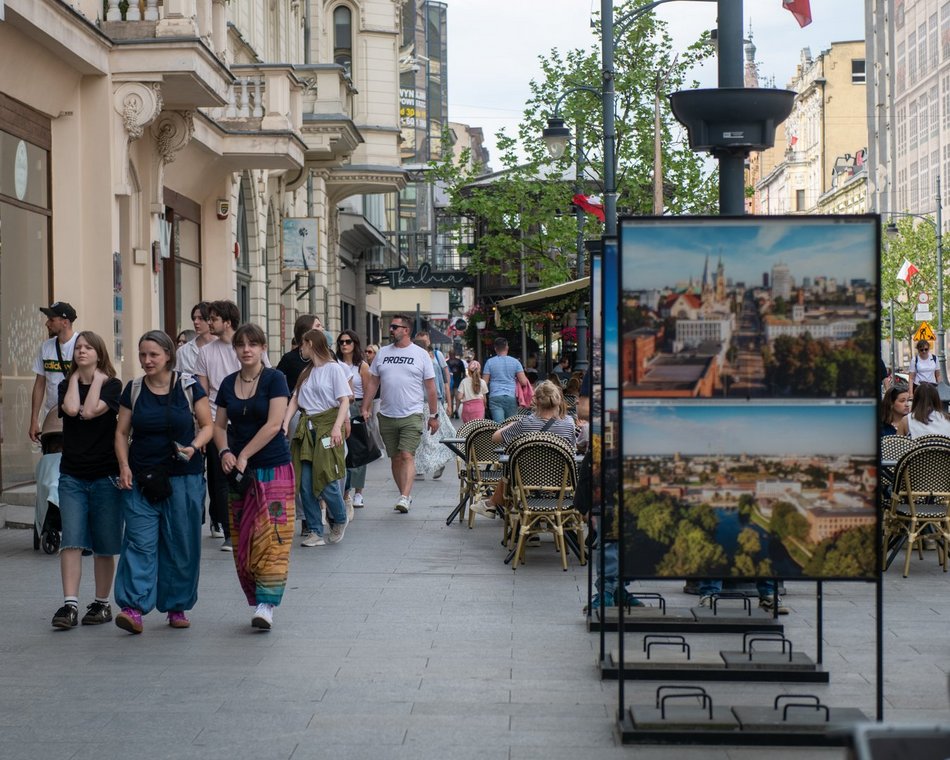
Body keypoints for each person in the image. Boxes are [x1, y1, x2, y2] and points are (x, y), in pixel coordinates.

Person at [113, 331, 213, 634]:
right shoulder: (133, 389)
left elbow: (208, 425)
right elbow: (120, 433)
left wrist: (193, 447)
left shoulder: (188, 386)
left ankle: (176, 605)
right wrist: (124, 466)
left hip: (184, 476)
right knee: (139, 543)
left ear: (168, 355)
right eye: (142, 354)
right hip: (142, 477)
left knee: (181, 543)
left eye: (153, 354)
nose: (147, 360)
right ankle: (133, 607)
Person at [213, 324, 294, 630]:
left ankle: (267, 604)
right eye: (241, 345)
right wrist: (224, 452)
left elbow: (275, 424)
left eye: (253, 344)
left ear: (262, 348)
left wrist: (244, 453)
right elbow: (218, 426)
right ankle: (257, 594)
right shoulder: (227, 383)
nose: (246, 349)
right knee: (244, 537)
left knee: (274, 534)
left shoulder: (275, 379)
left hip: (274, 471)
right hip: (240, 477)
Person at [50, 331, 124, 630]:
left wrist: (96, 380)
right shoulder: (67, 385)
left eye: (88, 347)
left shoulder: (114, 385)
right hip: (72, 475)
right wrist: (78, 380)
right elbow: (70, 409)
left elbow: (91, 411)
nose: (81, 351)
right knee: (72, 540)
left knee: (105, 544)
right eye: (78, 348)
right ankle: (70, 604)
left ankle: (102, 603)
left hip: (106, 474)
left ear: (99, 352)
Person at [196, 300, 270, 550]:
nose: (209, 323)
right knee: (221, 477)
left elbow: (266, 380)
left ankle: (256, 523)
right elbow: (203, 392)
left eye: (213, 318)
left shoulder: (250, 348)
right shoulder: (205, 352)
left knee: (252, 473)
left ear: (227, 321)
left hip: (251, 420)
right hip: (219, 420)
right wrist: (204, 427)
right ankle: (230, 531)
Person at [360, 314, 439, 513]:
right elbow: (373, 382)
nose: (391, 330)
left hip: (412, 414)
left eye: (395, 327)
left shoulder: (420, 354)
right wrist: (365, 407)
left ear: (406, 330)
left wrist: (433, 415)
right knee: (395, 458)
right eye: (392, 326)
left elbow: (430, 387)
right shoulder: (383, 353)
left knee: (407, 455)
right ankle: (405, 494)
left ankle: (404, 496)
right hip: (386, 415)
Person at [470, 381, 576, 518]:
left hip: (527, 482)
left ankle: (493, 505)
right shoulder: (568, 423)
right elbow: (572, 448)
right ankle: (493, 505)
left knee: (511, 470)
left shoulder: (525, 423)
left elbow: (495, 438)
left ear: (536, 401)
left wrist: (511, 425)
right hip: (561, 483)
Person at [285, 329, 350, 547]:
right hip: (307, 428)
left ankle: (340, 518)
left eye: (302, 344)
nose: (300, 348)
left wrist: (337, 427)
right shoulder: (307, 371)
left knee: (327, 479)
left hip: (327, 428)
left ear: (310, 343)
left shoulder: (334, 369)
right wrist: (284, 425)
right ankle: (315, 529)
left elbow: (345, 401)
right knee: (305, 483)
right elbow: (295, 400)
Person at [30, 301, 79, 450]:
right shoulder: (46, 347)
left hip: (77, 418)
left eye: (51, 319)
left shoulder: (82, 345)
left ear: (65, 322)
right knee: (51, 463)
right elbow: (39, 384)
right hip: (51, 420)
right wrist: (34, 420)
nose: (47, 323)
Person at [336, 329, 371, 510]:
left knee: (357, 450)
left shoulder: (362, 366)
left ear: (355, 344)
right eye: (341, 342)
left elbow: (368, 390)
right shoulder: (335, 363)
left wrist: (365, 410)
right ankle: (345, 491)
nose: (344, 345)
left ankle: (358, 492)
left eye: (348, 341)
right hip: (338, 407)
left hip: (356, 406)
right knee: (341, 449)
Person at [482, 337, 530, 422]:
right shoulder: (516, 362)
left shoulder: (489, 362)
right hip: (510, 396)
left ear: (495, 348)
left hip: (495, 397)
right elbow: (523, 382)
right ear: (507, 347)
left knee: (499, 426)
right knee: (511, 425)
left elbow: (484, 383)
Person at [276, 314, 320, 392]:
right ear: (306, 330)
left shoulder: (328, 356)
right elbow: (277, 384)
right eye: (318, 326)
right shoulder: (289, 359)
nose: (322, 329)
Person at [175, 301, 215, 375]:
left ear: (210, 320)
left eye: (200, 318)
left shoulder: (221, 347)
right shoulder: (183, 351)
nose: (195, 322)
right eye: (194, 318)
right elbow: (176, 378)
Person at [362, 344, 386, 455]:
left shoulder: (380, 365)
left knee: (375, 423)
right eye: (366, 351)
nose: (367, 354)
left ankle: (380, 447)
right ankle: (372, 446)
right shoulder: (364, 366)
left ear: (375, 354)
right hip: (367, 398)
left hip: (378, 399)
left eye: (370, 352)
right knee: (369, 424)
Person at [446, 349, 465, 417]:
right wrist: (462, 379)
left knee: (451, 397)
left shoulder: (447, 362)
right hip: (457, 382)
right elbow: (463, 372)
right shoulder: (459, 362)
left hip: (451, 383)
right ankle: (456, 410)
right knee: (457, 398)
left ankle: (453, 411)